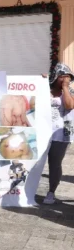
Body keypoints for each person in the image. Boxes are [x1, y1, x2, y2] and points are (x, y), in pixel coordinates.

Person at [43, 63, 74, 204]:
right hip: (43, 131)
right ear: (56, 76)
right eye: (63, 76)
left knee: (55, 163)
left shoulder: (70, 92)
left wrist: (65, 88)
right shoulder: (45, 88)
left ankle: (51, 192)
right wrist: (40, 82)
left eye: (68, 77)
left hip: (62, 134)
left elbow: (69, 105)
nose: (66, 79)